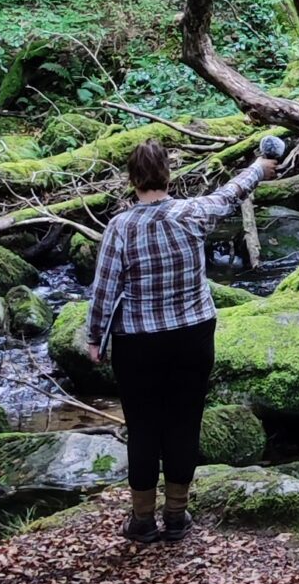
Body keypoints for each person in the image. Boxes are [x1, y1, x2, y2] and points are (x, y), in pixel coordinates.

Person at [76, 136, 284, 543]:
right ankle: (176, 517)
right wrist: (261, 167)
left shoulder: (120, 227)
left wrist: (94, 337)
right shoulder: (192, 213)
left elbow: (104, 288)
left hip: (138, 341)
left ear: (132, 179)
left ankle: (141, 521)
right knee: (184, 424)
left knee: (143, 428)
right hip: (192, 335)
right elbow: (233, 190)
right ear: (167, 175)